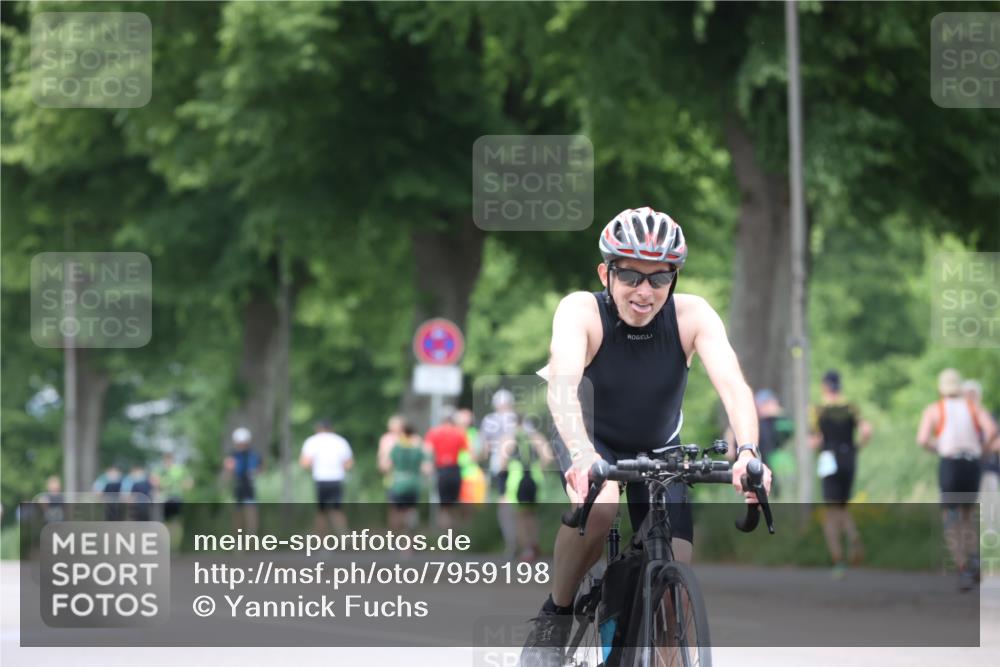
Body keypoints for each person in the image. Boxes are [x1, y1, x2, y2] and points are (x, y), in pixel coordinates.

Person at [520, 207, 771, 666]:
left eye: (659, 279)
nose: (644, 291)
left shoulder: (692, 314)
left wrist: (750, 453)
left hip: (659, 449)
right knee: (603, 505)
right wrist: (581, 453)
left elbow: (734, 386)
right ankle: (553, 615)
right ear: (605, 272)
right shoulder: (582, 310)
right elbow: (563, 388)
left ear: (674, 279)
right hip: (591, 440)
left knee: (674, 578)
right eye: (631, 276)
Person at [917, 369, 998, 590]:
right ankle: (974, 559)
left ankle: (963, 567)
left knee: (951, 517)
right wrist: (982, 450)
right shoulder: (973, 407)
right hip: (972, 464)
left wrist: (939, 447)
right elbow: (991, 429)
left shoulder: (935, 409)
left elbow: (922, 439)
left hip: (951, 464)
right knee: (967, 515)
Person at [809, 370, 871, 580]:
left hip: (829, 458)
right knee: (843, 506)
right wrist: (857, 447)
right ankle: (853, 537)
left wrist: (814, 447)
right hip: (849, 457)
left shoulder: (818, 409)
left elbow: (815, 440)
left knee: (830, 511)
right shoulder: (851, 407)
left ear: (825, 386)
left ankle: (838, 560)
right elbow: (866, 431)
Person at [497, 414, 554, 562]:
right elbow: (548, 457)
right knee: (531, 514)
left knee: (520, 516)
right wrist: (537, 467)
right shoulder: (536, 436)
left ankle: (527, 549)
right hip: (535, 478)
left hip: (517, 480)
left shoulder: (509, 438)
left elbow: (502, 464)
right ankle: (533, 541)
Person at [480, 389, 520, 556]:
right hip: (522, 466)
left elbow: (484, 447)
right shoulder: (520, 419)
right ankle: (525, 543)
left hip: (500, 464)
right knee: (523, 507)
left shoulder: (490, 420)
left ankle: (511, 543)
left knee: (504, 504)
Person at [300, 419, 354, 535]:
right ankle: (344, 536)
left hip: (321, 479)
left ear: (317, 429)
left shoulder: (312, 441)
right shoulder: (340, 441)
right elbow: (349, 464)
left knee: (321, 512)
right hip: (337, 478)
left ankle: (323, 542)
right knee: (337, 510)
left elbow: (305, 463)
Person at [378, 421, 429, 536]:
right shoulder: (418, 448)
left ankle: (396, 539)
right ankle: (410, 543)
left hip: (398, 484)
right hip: (414, 484)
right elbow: (426, 467)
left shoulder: (396, 448)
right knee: (411, 512)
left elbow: (385, 466)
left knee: (396, 512)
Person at [424, 408, 469, 530]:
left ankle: (445, 538)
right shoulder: (459, 433)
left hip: (441, 471)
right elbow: (468, 453)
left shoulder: (434, 432)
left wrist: (429, 466)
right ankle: (454, 537)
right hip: (455, 471)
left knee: (444, 507)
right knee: (454, 505)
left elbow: (427, 451)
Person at [224, 427, 261, 533]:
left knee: (251, 513)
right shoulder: (233, 456)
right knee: (237, 514)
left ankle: (251, 538)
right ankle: (237, 540)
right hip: (238, 486)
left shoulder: (253, 455)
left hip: (249, 486)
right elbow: (228, 473)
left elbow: (259, 469)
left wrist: (255, 472)